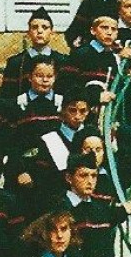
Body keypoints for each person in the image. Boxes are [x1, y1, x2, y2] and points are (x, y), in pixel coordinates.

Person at [7, 87, 97, 221]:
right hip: (53, 205)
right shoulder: (48, 138)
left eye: (83, 111)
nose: (78, 116)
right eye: (72, 110)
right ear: (63, 110)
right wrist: (21, 171)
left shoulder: (93, 138)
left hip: (86, 206)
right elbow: (19, 157)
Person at [50, 152, 127, 257]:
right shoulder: (59, 208)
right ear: (69, 178)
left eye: (94, 176)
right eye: (83, 175)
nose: (90, 181)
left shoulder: (101, 209)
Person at [3, 7, 69, 99]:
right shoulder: (15, 63)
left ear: (52, 32)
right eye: (34, 27)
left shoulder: (62, 61)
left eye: (45, 27)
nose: (40, 31)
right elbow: (7, 96)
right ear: (28, 32)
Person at [9, 56, 64, 144]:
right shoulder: (19, 103)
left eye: (50, 76)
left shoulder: (62, 103)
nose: (45, 80)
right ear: (30, 77)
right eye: (39, 76)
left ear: (55, 77)